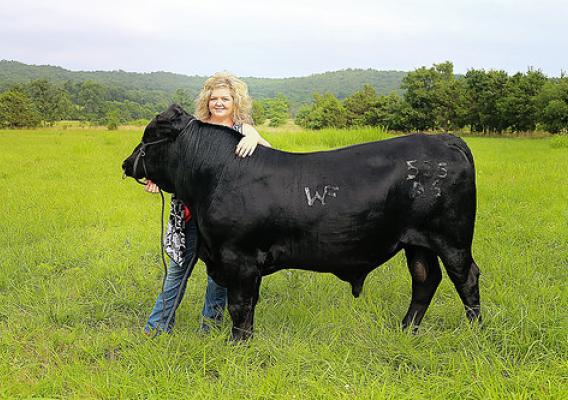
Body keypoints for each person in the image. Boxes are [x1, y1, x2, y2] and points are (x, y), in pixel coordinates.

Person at [144, 72, 271, 334]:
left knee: (219, 276)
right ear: (207, 101)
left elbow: (271, 157)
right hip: (189, 214)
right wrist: (154, 178)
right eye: (214, 98)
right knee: (178, 272)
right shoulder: (193, 128)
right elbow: (170, 163)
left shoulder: (243, 129)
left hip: (227, 220)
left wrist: (253, 139)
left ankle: (209, 328)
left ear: (235, 101)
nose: (219, 103)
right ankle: (157, 327)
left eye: (225, 98)